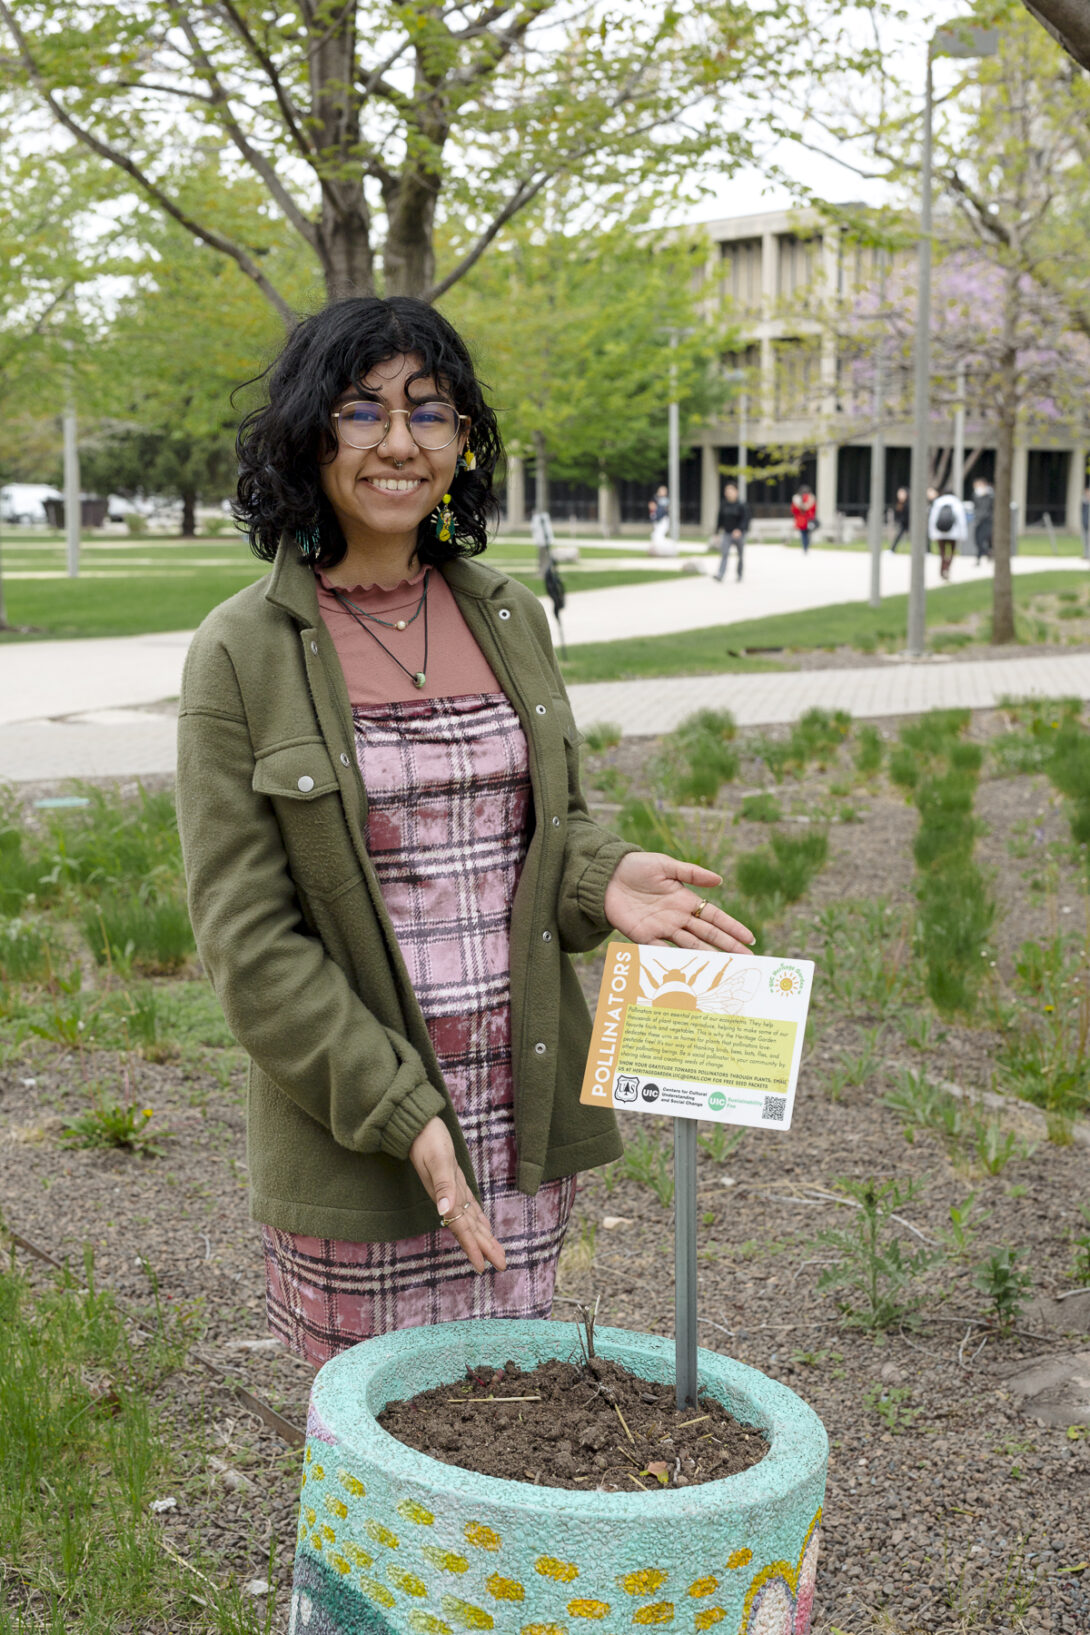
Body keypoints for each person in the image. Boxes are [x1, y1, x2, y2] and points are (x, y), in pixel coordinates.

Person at [175, 297, 754, 1368]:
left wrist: (605, 877)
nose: (399, 442)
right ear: (309, 434)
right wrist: (403, 1114)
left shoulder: (508, 615)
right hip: (359, 1121)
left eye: (429, 412)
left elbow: (548, 831)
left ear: (463, 441)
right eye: (361, 411)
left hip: (514, 1107)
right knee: (374, 1453)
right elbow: (247, 944)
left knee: (505, 1417)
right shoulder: (240, 652)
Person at [928, 485, 968, 581]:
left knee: (942, 552)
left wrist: (932, 533)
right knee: (951, 552)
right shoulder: (956, 503)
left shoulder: (938, 502)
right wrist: (963, 534)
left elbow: (932, 519)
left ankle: (942, 569)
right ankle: (947, 568)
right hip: (953, 533)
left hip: (940, 532)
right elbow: (961, 520)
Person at [714, 481, 750, 582]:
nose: (728, 492)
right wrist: (716, 532)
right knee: (724, 554)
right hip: (727, 533)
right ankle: (720, 574)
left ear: (736, 492)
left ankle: (739, 574)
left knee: (740, 555)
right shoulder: (724, 505)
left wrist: (739, 530)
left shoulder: (742, 505)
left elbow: (745, 519)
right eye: (727, 490)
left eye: (730, 490)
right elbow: (720, 519)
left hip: (739, 534)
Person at [972, 477, 994, 564]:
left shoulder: (990, 495)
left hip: (986, 520)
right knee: (977, 540)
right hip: (978, 521)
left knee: (982, 539)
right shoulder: (975, 495)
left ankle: (980, 557)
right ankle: (987, 553)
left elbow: (987, 508)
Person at [790, 484, 817, 553]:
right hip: (809, 518)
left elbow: (794, 510)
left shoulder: (796, 498)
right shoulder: (811, 498)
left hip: (801, 519)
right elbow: (814, 509)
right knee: (808, 533)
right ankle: (807, 545)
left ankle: (805, 547)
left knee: (803, 534)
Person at [648, 484, 671, 554]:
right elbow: (651, 505)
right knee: (658, 529)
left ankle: (660, 540)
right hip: (657, 516)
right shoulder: (655, 498)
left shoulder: (666, 498)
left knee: (664, 527)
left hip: (664, 516)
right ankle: (656, 540)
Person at [889, 487, 909, 553]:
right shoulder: (899, 504)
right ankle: (892, 550)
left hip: (910, 523)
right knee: (898, 536)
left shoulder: (908, 503)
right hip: (903, 524)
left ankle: (927, 550)